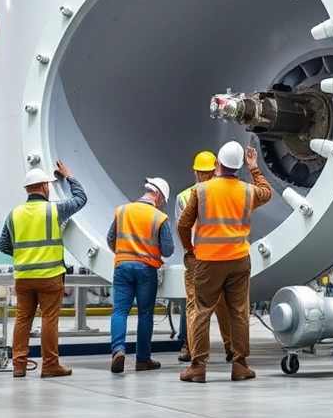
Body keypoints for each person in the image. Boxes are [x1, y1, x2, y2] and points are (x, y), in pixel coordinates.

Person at [177, 141, 272, 383]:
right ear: (238, 167)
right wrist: (255, 168)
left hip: (208, 261)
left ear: (217, 164)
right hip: (239, 259)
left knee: (201, 312)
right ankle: (240, 365)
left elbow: (183, 224)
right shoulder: (248, 191)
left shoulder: (201, 191)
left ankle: (198, 368)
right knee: (239, 312)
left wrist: (190, 250)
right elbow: (267, 192)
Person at [0, 160, 87, 378]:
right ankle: (50, 365)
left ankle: (19, 365)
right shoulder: (54, 210)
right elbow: (81, 199)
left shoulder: (14, 214)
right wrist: (69, 176)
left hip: (23, 276)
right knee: (49, 319)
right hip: (50, 275)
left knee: (22, 318)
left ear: (28, 189)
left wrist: (24, 256)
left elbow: (3, 245)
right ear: (44, 187)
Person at [108, 177, 175, 374]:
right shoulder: (159, 217)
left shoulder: (122, 211)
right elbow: (169, 249)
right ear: (159, 195)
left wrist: (123, 253)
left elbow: (110, 238)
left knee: (119, 311)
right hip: (146, 269)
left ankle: (118, 351)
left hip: (122, 266)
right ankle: (143, 359)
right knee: (145, 314)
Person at [176, 150, 233, 364]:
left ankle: (192, 350)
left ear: (195, 172)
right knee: (223, 305)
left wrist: (188, 252)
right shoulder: (222, 192)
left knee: (194, 307)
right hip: (220, 257)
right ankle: (232, 348)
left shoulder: (185, 196)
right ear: (216, 169)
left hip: (197, 257)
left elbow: (181, 226)